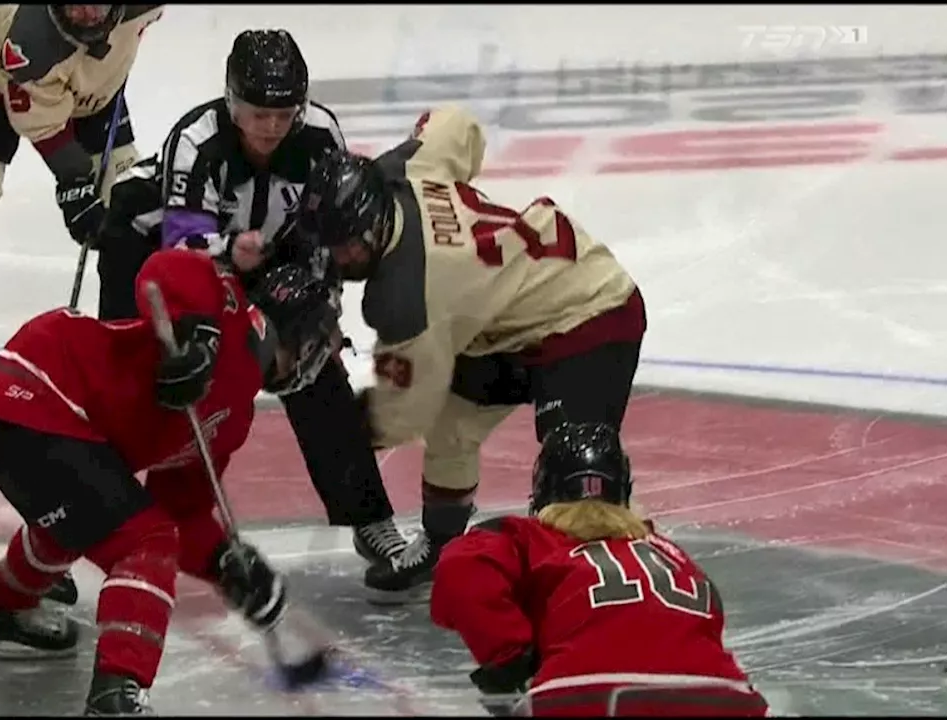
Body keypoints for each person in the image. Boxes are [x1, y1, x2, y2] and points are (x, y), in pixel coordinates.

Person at [0, 247, 341, 716]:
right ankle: (117, 695)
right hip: (39, 388)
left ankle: (2, 609)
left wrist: (224, 563)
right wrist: (198, 336)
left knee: (92, 520)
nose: (317, 357)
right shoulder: (230, 310)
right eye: (321, 340)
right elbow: (167, 268)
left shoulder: (234, 417)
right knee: (144, 543)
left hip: (29, 416)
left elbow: (183, 507)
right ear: (301, 332)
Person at [294, 104, 649, 603]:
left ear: (372, 225)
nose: (339, 258)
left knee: (574, 468)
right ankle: (442, 543)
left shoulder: (405, 295)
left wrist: (352, 435)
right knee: (452, 424)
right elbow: (455, 126)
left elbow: (407, 407)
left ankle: (595, 582)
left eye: (347, 245)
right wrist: (422, 136)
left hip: (590, 314)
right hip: (507, 321)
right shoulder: (404, 171)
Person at [92, 28, 409, 569]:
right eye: (259, 112)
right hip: (151, 249)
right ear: (231, 102)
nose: (272, 127)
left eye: (285, 113)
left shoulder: (320, 134)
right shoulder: (196, 140)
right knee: (139, 383)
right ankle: (94, 521)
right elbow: (183, 252)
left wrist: (322, 308)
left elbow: (327, 230)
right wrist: (228, 255)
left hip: (264, 250)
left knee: (312, 361)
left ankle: (369, 517)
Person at [429, 423, 769, 717]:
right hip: (722, 696)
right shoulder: (669, 552)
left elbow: (460, 571)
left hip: (588, 693)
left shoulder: (528, 536)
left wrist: (511, 660)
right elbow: (709, 619)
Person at [0, 4, 163, 365]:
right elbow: (38, 118)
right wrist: (74, 183)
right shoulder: (32, 38)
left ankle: (128, 320)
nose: (86, 14)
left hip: (89, 81)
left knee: (127, 192)